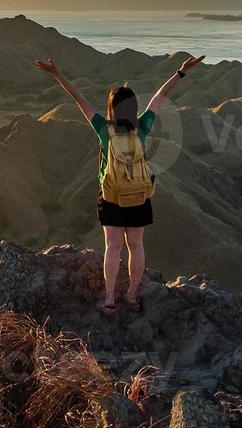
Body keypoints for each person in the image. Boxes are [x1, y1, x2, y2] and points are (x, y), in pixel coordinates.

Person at [35, 53, 204, 315]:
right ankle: (133, 295)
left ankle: (110, 300)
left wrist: (57, 74)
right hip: (139, 197)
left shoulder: (104, 128)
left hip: (112, 197)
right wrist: (181, 71)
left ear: (112, 108)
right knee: (137, 247)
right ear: (135, 108)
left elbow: (78, 98)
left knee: (112, 247)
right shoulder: (143, 126)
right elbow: (160, 96)